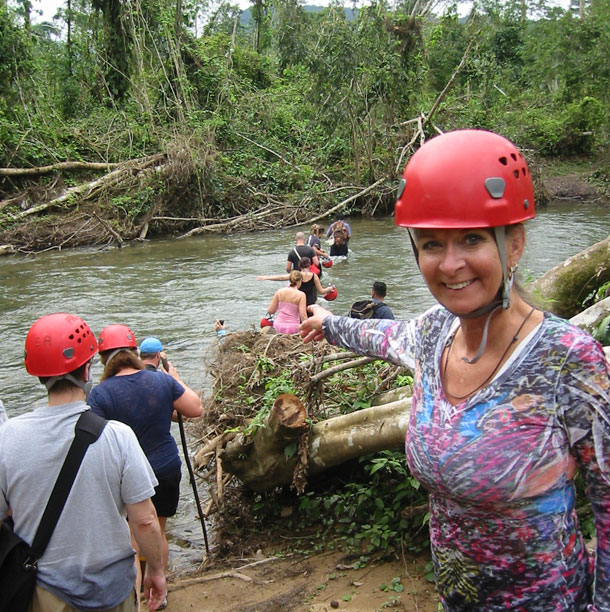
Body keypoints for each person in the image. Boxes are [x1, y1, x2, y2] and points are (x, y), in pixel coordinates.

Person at [300, 130, 610, 612]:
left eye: (471, 239)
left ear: (515, 243)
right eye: (430, 244)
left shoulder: (568, 359)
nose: (450, 264)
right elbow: (382, 337)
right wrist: (328, 324)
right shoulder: (432, 334)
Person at [0, 313, 166, 612]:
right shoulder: (118, 436)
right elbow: (144, 520)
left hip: (44, 592)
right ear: (88, 369)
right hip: (112, 590)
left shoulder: (8, 437)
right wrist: (156, 570)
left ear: (36, 373)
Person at [88, 324, 203, 608]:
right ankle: (160, 588)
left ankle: (138, 597)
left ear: (104, 358)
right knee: (158, 530)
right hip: (165, 467)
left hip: (125, 475)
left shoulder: (100, 394)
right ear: (133, 352)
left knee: (132, 539)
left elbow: (91, 439)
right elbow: (195, 409)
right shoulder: (161, 381)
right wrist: (174, 378)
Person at [259, 257, 335, 309]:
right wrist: (329, 289)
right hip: (311, 302)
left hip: (298, 301)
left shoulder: (297, 275)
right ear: (309, 265)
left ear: (299, 266)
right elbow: (321, 291)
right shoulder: (314, 276)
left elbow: (281, 277)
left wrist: (266, 277)